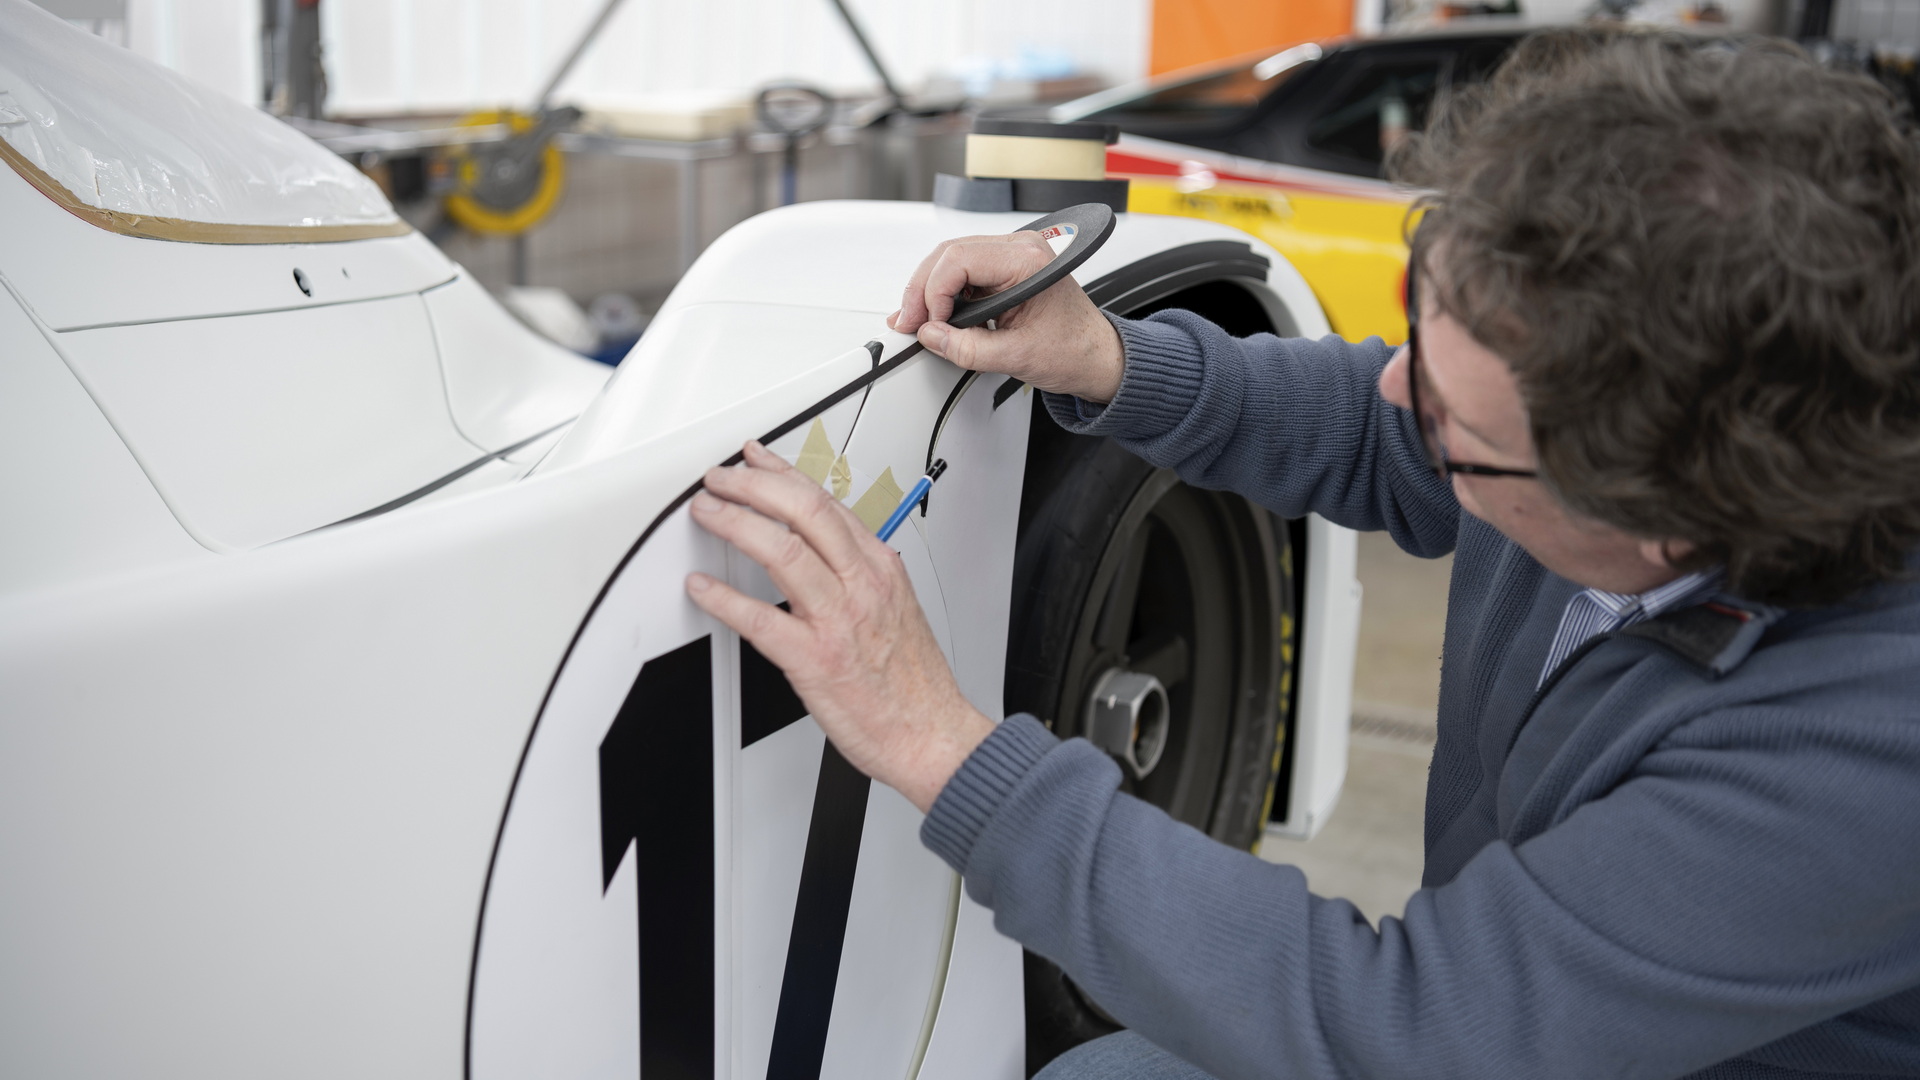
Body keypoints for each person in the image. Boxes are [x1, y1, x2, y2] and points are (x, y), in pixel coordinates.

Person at [683, 30, 1920, 1079]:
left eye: (1457, 422)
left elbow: (1405, 1029)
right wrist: (1110, 356)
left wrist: (938, 746)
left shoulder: (1862, 754)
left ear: (1668, 520)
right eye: (1416, 345)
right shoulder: (1642, 420)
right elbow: (1387, 439)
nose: (1398, 392)